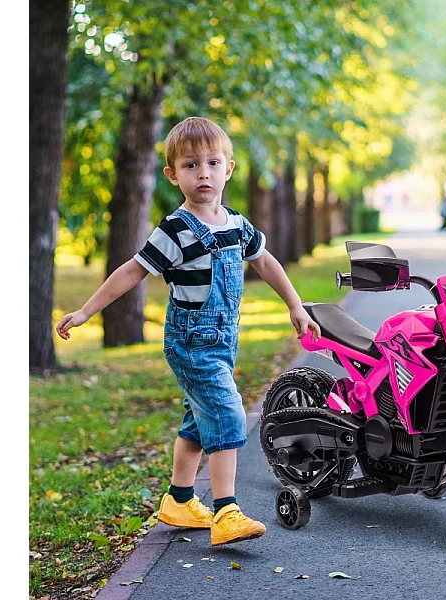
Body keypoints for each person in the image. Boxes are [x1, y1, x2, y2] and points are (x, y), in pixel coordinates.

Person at [55, 117, 321, 546]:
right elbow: (133, 271)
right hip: (191, 341)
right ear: (172, 174)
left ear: (228, 169)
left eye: (213, 163)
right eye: (191, 165)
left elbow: (266, 263)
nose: (203, 173)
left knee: (199, 422)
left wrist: (295, 305)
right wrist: (87, 310)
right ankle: (226, 511)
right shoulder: (175, 229)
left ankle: (179, 500)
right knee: (226, 413)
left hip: (222, 341)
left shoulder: (236, 224)